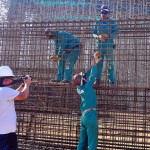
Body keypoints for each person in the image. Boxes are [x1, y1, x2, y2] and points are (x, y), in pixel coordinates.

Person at [72, 52, 100, 150]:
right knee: (92, 142)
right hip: (91, 117)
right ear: (84, 80)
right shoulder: (87, 86)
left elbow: (86, 74)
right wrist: (94, 60)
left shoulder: (79, 88)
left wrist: (92, 64)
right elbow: (93, 74)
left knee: (82, 142)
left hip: (84, 117)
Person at [0, 66, 32, 150]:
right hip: (3, 133)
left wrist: (22, 84)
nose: (12, 81)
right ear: (5, 80)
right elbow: (23, 95)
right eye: (11, 79)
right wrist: (27, 85)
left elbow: (15, 94)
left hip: (7, 131)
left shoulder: (4, 92)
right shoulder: (4, 91)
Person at [93, 5, 119, 86]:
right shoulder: (97, 22)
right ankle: (97, 80)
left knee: (110, 64)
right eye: (102, 13)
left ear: (108, 13)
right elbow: (94, 33)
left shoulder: (112, 22)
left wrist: (108, 35)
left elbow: (116, 32)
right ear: (100, 12)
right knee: (98, 64)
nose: (103, 14)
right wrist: (98, 36)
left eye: (105, 13)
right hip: (99, 46)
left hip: (108, 46)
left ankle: (112, 81)